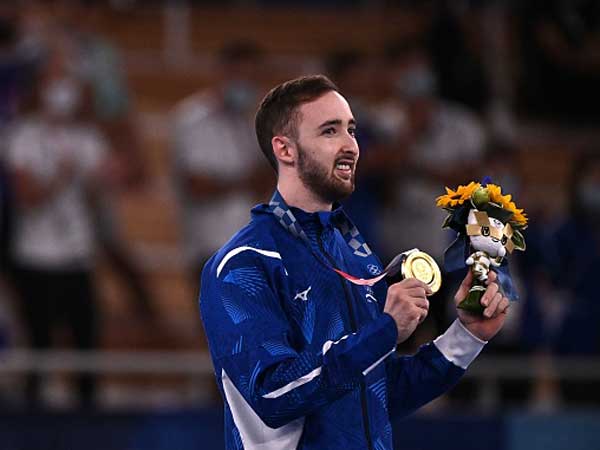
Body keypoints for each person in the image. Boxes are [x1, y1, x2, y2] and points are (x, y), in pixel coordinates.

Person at [199, 75, 510, 449]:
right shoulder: (244, 264)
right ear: (285, 150)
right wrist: (384, 330)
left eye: (351, 130)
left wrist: (466, 335)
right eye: (330, 132)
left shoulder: (355, 257)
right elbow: (274, 393)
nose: (351, 146)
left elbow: (376, 394)